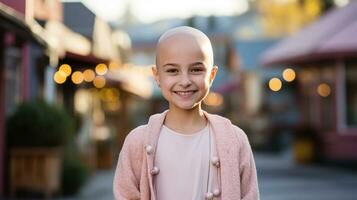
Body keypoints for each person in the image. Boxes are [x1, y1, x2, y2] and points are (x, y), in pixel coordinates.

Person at [113, 26, 259, 200]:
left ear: (211, 75)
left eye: (196, 70)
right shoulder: (137, 141)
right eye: (172, 71)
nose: (185, 81)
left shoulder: (235, 139)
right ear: (157, 75)